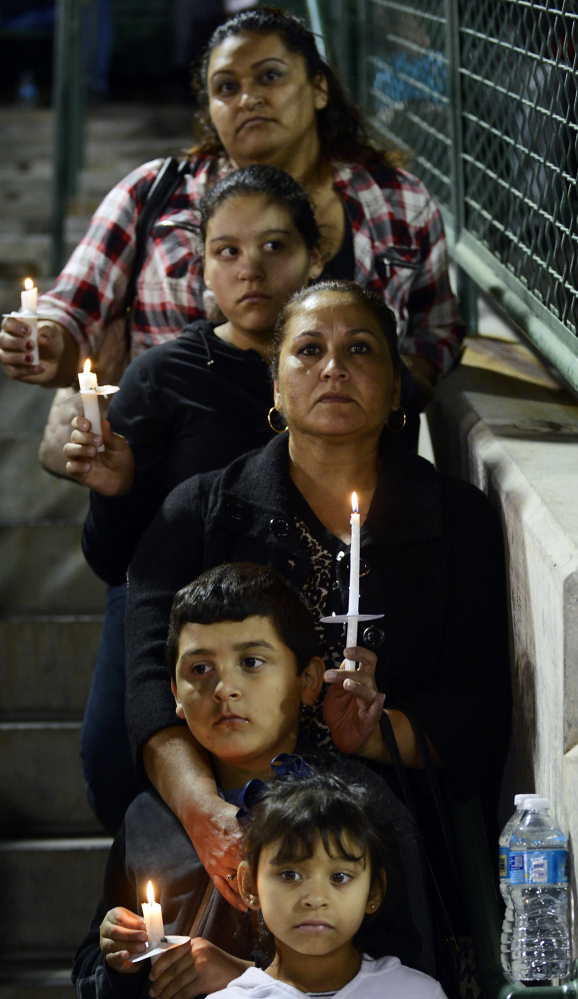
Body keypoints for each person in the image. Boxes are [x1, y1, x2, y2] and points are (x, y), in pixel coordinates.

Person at [124, 281, 511, 914]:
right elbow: (147, 681)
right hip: (224, 811)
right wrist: (205, 815)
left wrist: (374, 738)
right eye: (308, 351)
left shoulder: (452, 518)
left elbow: (479, 702)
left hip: (387, 839)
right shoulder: (199, 513)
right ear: (276, 388)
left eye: (360, 349)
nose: (333, 367)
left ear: (393, 389)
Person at [0, 6, 466, 422]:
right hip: (178, 479)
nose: (248, 98)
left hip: (351, 484)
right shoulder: (155, 193)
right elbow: (74, 307)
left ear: (319, 87)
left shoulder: (397, 199)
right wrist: (46, 340)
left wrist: (401, 391)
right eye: (227, 87)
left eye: (269, 76)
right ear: (210, 108)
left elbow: (436, 326)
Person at [62, 164, 323, 833]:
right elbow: (112, 559)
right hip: (174, 603)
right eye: (226, 251)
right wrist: (116, 490)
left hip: (302, 610)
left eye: (274, 246)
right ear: (200, 267)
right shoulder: (164, 375)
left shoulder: (338, 369)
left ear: (314, 256)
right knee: (112, 757)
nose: (250, 270)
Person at [72, 563, 434, 999]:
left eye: (251, 662)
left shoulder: (357, 804)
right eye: (201, 669)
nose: (225, 688)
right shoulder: (151, 817)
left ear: (309, 680)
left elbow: (403, 971)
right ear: (175, 696)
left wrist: (247, 980)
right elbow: (88, 978)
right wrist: (119, 960)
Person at [208, 771, 448, 998]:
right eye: (290, 875)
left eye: (339, 877)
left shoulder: (417, 993)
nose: (315, 898)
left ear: (373, 892)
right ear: (251, 886)